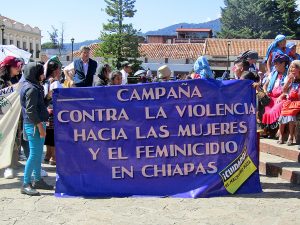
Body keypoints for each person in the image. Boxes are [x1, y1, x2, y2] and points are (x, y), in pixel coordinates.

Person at [20, 62, 54, 196]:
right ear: (34, 73)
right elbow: (31, 111)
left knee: (37, 154)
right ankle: (26, 183)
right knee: (34, 155)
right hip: (34, 125)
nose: (43, 75)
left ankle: (38, 180)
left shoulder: (32, 86)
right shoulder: (32, 89)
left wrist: (47, 98)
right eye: (41, 72)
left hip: (34, 124)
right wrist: (40, 126)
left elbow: (39, 105)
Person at [0, 56, 23, 179]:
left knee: (11, 140)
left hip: (10, 116)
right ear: (9, 67)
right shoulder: (1, 81)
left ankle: (9, 165)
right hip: (4, 117)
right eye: (16, 66)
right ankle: (7, 167)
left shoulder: (10, 80)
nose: (18, 68)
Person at [262, 53, 290, 136]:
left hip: (282, 97)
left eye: (277, 63)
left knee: (276, 108)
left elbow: (288, 89)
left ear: (284, 63)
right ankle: (267, 129)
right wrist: (265, 91)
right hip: (271, 96)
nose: (275, 64)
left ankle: (279, 130)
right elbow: (265, 85)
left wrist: (281, 96)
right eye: (275, 63)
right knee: (266, 108)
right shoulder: (273, 74)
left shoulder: (288, 75)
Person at [43, 56, 63, 165]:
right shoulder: (55, 82)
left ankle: (47, 155)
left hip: (47, 111)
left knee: (49, 135)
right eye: (59, 69)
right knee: (55, 136)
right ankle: (54, 157)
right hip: (54, 111)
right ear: (55, 70)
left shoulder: (45, 81)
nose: (60, 71)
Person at [277, 60, 300, 145]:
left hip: (297, 102)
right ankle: (281, 136)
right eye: (290, 68)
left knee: (291, 114)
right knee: (283, 114)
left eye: (293, 68)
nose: (291, 70)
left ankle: (290, 137)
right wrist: (289, 81)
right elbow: (283, 90)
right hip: (289, 101)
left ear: (298, 69)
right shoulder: (290, 78)